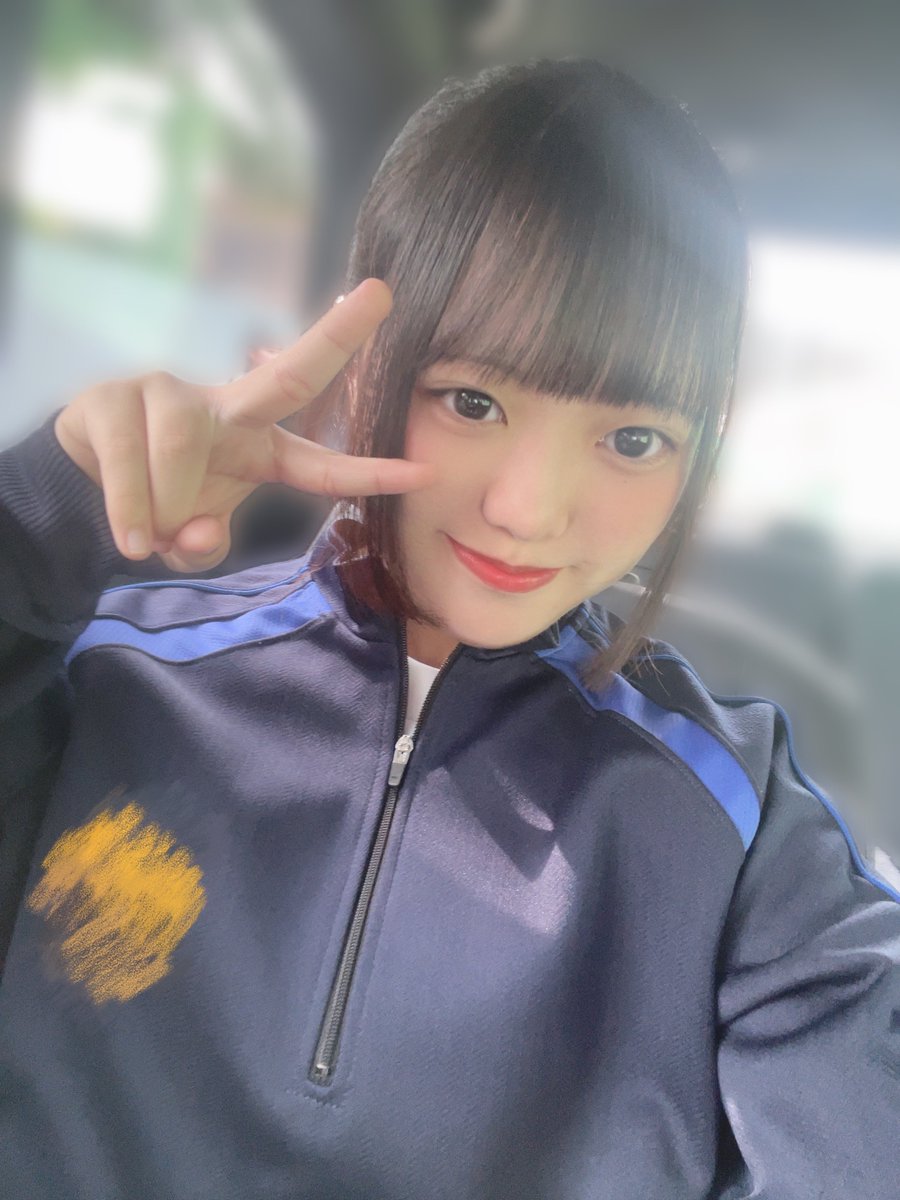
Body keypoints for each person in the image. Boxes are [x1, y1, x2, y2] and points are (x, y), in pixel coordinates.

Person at [0, 58, 897, 1200]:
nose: (528, 511)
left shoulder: (745, 822)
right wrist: (36, 521)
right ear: (367, 362)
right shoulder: (103, 673)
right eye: (474, 401)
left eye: (632, 440)